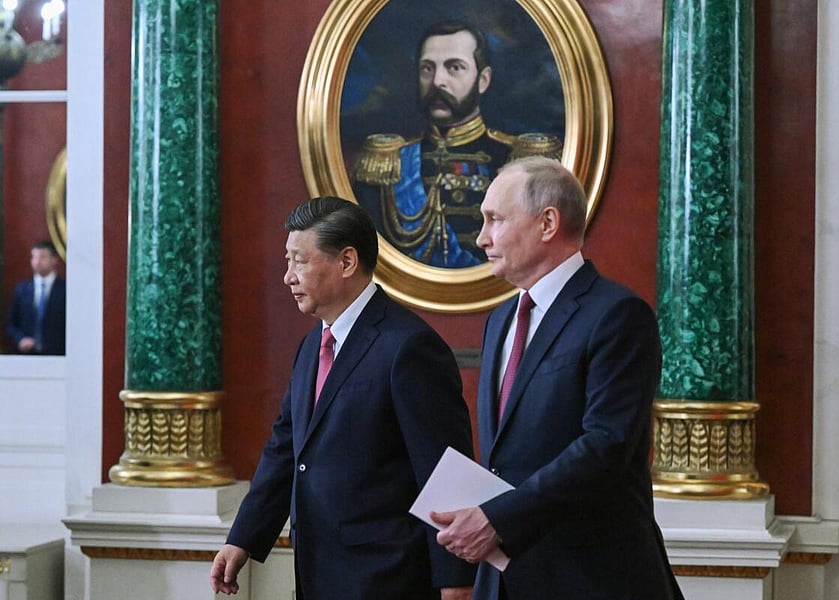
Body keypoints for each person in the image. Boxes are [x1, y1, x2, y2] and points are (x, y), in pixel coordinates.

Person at [431, 157, 684, 599]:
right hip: (504, 579)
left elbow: (606, 445)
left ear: (547, 223)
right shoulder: (500, 319)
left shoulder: (617, 315)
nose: (482, 237)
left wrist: (499, 519)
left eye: (495, 219)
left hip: (591, 578)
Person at [209, 197, 476, 599]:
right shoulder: (310, 347)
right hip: (316, 572)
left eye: (300, 261)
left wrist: (456, 581)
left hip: (388, 578)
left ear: (347, 261)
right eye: (287, 261)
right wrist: (242, 538)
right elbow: (287, 450)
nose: (288, 277)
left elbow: (444, 471)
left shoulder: (409, 347)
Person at [352, 21, 561, 268]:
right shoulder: (387, 163)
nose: (437, 81)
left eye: (454, 67)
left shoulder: (520, 160)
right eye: (427, 69)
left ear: (483, 80)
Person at [4, 240, 66, 355]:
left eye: (42, 257)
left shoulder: (65, 289)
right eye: (34, 257)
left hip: (57, 355)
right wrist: (20, 339)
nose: (37, 261)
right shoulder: (22, 289)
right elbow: (10, 323)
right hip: (26, 355)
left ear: (54, 260)